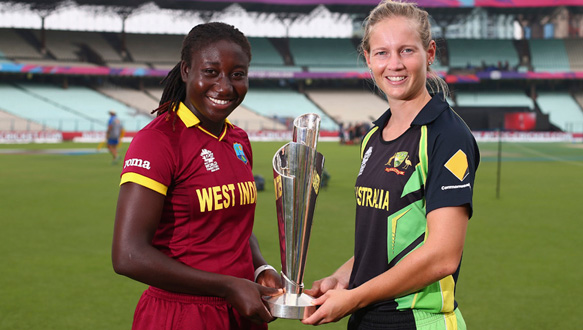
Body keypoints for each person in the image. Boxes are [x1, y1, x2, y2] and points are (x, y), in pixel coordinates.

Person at [302, 1, 480, 329]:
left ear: (429, 53)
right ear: (368, 58)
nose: (394, 64)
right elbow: (385, 243)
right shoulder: (372, 137)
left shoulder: (447, 135)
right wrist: (342, 279)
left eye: (406, 51)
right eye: (382, 53)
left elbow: (443, 255)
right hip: (367, 318)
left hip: (419, 320)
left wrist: (355, 297)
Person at [111, 22, 283, 330]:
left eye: (237, 74)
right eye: (212, 72)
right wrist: (228, 286)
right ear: (186, 70)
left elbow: (233, 227)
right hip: (182, 314)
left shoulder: (238, 139)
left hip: (242, 310)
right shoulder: (159, 140)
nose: (225, 86)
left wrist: (259, 266)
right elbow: (128, 254)